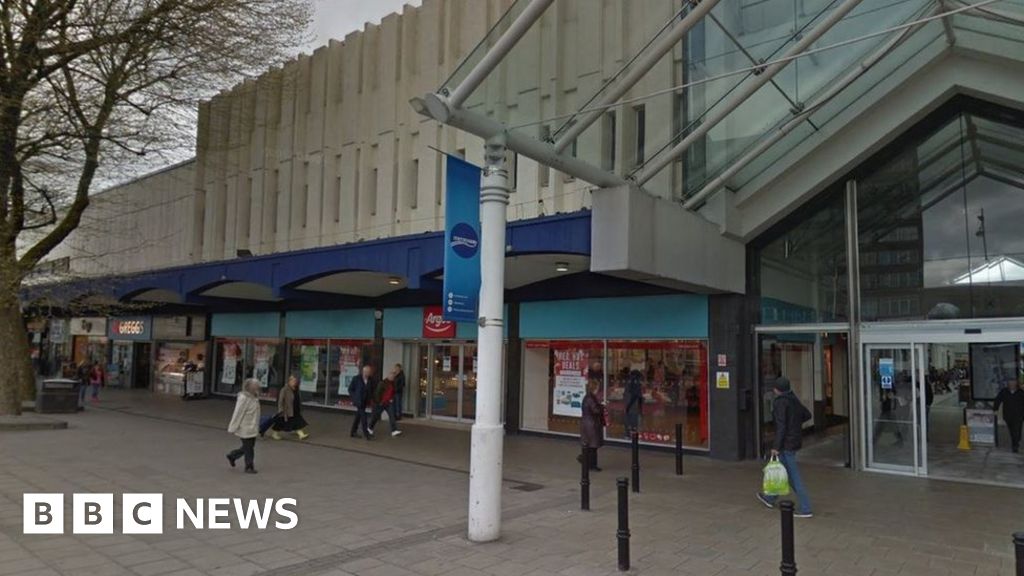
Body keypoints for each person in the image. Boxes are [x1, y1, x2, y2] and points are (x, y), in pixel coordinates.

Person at [757, 376, 813, 518]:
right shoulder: (793, 399)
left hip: (785, 444)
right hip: (793, 441)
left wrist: (775, 446)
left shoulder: (780, 403)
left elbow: (781, 426)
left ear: (777, 390)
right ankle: (770, 497)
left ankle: (806, 508)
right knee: (782, 471)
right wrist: (794, 424)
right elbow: (807, 415)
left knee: (794, 476)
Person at [226, 378, 261, 473]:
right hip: (245, 427)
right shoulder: (244, 398)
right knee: (249, 448)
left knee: (249, 446)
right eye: (256, 386)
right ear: (250, 387)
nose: (258, 388)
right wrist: (232, 427)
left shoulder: (254, 397)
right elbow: (238, 412)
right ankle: (249, 467)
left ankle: (232, 455)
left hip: (252, 426)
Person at [270, 374, 309, 440]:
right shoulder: (285, 389)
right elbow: (280, 400)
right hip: (287, 410)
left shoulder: (296, 389)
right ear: (289, 381)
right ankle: (274, 433)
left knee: (297, 421)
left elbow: (297, 398)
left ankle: (301, 434)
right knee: (281, 422)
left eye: (295, 381)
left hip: (295, 409)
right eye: (293, 381)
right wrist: (280, 409)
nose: (295, 382)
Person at [577, 379, 605, 471]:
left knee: (590, 446)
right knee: (593, 446)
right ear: (594, 388)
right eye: (597, 387)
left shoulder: (587, 397)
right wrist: (602, 406)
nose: (598, 389)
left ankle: (587, 462)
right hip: (591, 424)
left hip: (587, 423)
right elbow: (595, 410)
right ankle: (590, 464)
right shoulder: (590, 398)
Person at [369, 368, 402, 437]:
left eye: (394, 377)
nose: (393, 377)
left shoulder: (393, 383)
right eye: (392, 376)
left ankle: (394, 430)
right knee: (376, 416)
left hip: (388, 403)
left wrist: (391, 399)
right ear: (388, 376)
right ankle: (370, 428)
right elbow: (377, 393)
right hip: (381, 403)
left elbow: (393, 392)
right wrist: (378, 402)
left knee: (392, 415)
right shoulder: (382, 383)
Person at [993, 380, 1024, 453]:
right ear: (1008, 385)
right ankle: (1016, 441)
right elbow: (998, 399)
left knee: (1016, 430)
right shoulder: (1004, 392)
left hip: (1018, 415)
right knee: (1012, 430)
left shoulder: (1021, 392)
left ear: (1016, 384)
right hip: (1008, 415)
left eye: (1013, 384)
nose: (1012, 385)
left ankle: (1015, 446)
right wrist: (995, 409)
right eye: (1010, 384)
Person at [348, 364, 373, 439]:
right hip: (359, 401)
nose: (367, 373)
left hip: (365, 401)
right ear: (363, 371)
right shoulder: (356, 379)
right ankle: (366, 434)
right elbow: (350, 389)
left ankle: (353, 432)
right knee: (363, 417)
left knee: (358, 417)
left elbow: (371, 390)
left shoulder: (370, 379)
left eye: (369, 372)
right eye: (366, 372)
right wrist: (354, 397)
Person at [624, 369, 644, 437]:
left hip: (628, 403)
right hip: (633, 404)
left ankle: (627, 434)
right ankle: (633, 435)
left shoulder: (628, 382)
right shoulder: (636, 382)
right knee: (634, 420)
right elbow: (637, 394)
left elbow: (626, 394)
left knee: (628, 419)